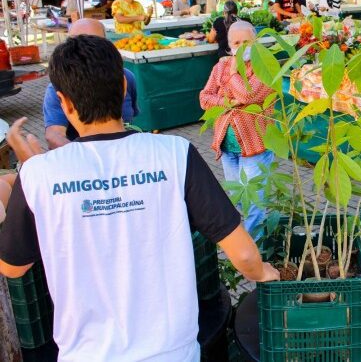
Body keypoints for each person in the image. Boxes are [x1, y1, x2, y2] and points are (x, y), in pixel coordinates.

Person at [0, 35, 279, 362]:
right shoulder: (175, 154)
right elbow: (244, 254)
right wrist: (263, 273)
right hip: (173, 352)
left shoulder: (38, 175)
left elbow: (12, 267)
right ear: (122, 88)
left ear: (64, 103)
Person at [200, 21, 274, 239]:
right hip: (227, 147)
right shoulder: (219, 67)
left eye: (246, 41)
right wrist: (229, 101)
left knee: (254, 204)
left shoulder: (264, 67)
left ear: (256, 41)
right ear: (229, 45)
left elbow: (248, 97)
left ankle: (255, 259)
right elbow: (204, 98)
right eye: (236, 42)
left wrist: (233, 74)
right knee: (238, 196)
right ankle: (252, 246)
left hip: (255, 147)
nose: (242, 47)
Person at [44, 18, 138, 149]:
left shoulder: (127, 76)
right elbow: (54, 136)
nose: (86, 53)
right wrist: (87, 157)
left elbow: (131, 121)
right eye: (76, 45)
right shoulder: (58, 87)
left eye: (94, 43)